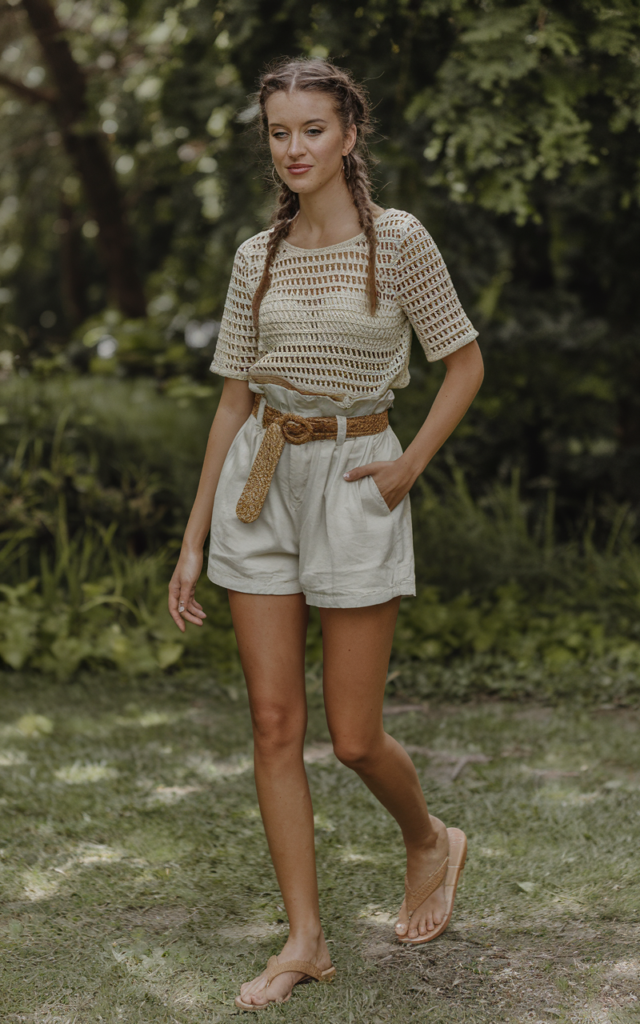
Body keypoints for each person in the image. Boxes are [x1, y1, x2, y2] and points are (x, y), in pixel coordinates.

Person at [168, 56, 484, 1011]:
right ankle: (305, 939)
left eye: (311, 128)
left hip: (356, 481)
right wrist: (193, 541)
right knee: (273, 724)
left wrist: (407, 464)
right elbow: (231, 406)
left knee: (352, 739)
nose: (294, 147)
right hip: (260, 484)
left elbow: (464, 364)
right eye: (278, 131)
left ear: (349, 133)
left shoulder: (399, 242)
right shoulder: (254, 257)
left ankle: (429, 838)